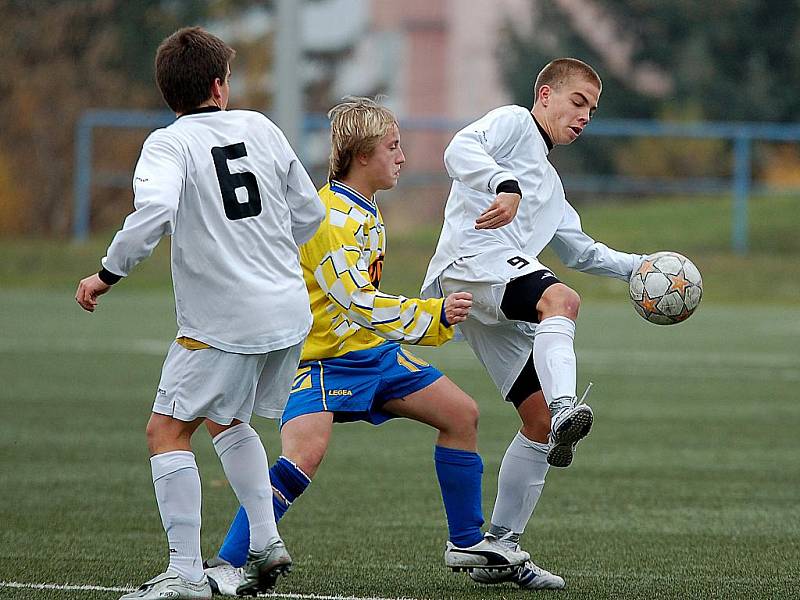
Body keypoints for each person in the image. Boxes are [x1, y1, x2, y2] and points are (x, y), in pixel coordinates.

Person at [201, 96, 532, 595]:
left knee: (461, 415)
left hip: (372, 355)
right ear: (361, 155)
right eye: (392, 147)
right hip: (319, 361)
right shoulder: (328, 218)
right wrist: (433, 316)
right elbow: (356, 301)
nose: (402, 156)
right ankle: (228, 563)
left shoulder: (365, 208)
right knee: (304, 455)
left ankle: (466, 542)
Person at [75, 27, 325, 600]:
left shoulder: (169, 144)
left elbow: (155, 210)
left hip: (227, 322)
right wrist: (264, 251)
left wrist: (106, 273)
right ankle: (265, 540)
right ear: (219, 85)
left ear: (171, 93)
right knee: (226, 418)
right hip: (287, 311)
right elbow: (308, 213)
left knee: (166, 429)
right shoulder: (261, 127)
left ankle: (185, 573)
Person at [421, 58, 647, 590]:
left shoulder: (550, 184)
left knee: (537, 422)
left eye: (592, 110)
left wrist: (641, 266)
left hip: (492, 290)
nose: (585, 116)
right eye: (577, 102)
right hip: (472, 262)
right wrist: (503, 183)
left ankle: (497, 545)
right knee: (562, 301)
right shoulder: (513, 124)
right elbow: (458, 149)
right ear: (544, 94)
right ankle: (569, 404)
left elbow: (585, 251)